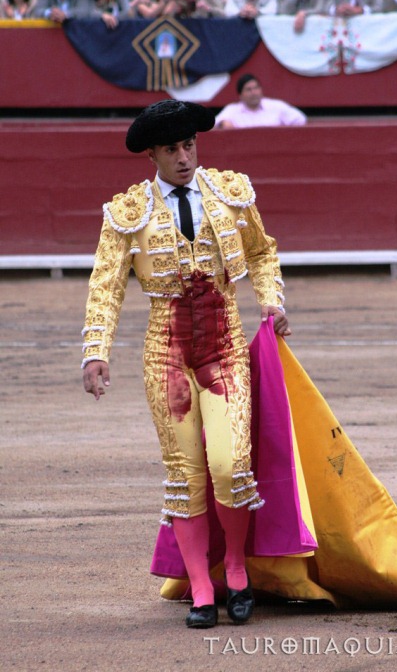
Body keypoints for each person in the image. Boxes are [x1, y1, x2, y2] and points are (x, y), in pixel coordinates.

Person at [81, 99, 290, 629]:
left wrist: (271, 297)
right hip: (165, 354)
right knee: (186, 475)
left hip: (224, 345)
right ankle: (201, 587)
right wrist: (96, 350)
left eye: (189, 145)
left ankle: (236, 569)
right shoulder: (128, 213)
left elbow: (262, 252)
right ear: (151, 153)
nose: (184, 156)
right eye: (172, 148)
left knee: (228, 465)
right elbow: (105, 287)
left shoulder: (229, 194)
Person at [215, 73, 307, 128]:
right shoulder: (232, 110)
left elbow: (300, 119)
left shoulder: (276, 106)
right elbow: (213, 124)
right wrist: (222, 124)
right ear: (240, 95)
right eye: (248, 89)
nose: (254, 92)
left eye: (256, 88)